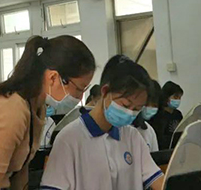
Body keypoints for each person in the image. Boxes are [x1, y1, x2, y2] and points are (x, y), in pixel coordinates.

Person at [0, 35, 96, 190]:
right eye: (79, 89)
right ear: (53, 78)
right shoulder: (12, 112)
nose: (80, 97)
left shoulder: (36, 107)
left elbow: (20, 168)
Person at [41, 55, 164, 190]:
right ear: (105, 91)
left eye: (136, 109)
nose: (130, 113)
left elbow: (157, 180)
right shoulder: (69, 139)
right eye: (125, 105)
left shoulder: (133, 137)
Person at [149, 80, 184, 150]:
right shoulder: (157, 115)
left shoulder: (178, 114)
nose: (178, 100)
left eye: (180, 98)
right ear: (166, 96)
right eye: (175, 97)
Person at [133, 80, 161, 152]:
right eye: (146, 104)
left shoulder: (149, 130)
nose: (150, 107)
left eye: (154, 105)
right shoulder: (121, 128)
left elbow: (154, 155)